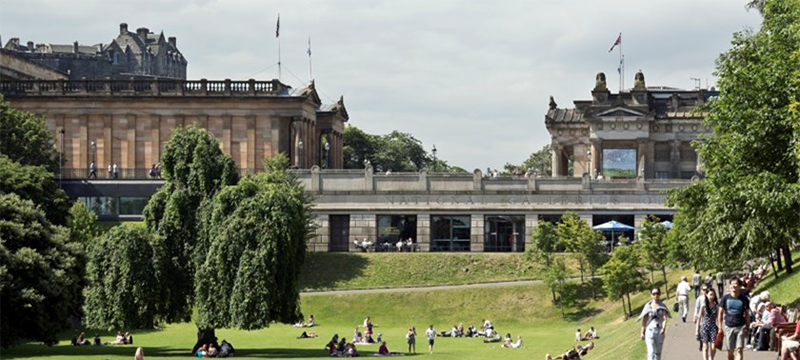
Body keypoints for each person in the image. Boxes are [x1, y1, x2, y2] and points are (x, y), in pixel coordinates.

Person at [718, 277, 750, 360]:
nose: (733, 286)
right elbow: (720, 313)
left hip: (740, 326)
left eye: (736, 284)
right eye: (732, 284)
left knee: (739, 350)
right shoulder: (725, 298)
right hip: (729, 326)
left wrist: (747, 328)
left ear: (739, 286)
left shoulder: (744, 299)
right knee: (730, 351)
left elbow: (747, 314)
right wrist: (720, 328)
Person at [638, 287, 671, 360]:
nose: (655, 295)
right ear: (651, 295)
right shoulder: (648, 306)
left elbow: (665, 318)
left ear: (659, 294)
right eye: (654, 294)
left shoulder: (662, 306)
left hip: (659, 331)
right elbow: (644, 320)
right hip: (650, 331)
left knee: (658, 353)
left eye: (657, 293)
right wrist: (642, 332)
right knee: (651, 352)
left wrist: (663, 328)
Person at [696, 288, 720, 360]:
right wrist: (697, 329)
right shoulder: (703, 305)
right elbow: (699, 317)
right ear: (706, 295)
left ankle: (711, 358)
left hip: (713, 327)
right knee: (705, 346)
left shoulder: (716, 306)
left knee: (713, 347)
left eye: (713, 295)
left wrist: (720, 328)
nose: (712, 296)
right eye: (710, 294)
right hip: (704, 327)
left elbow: (718, 319)